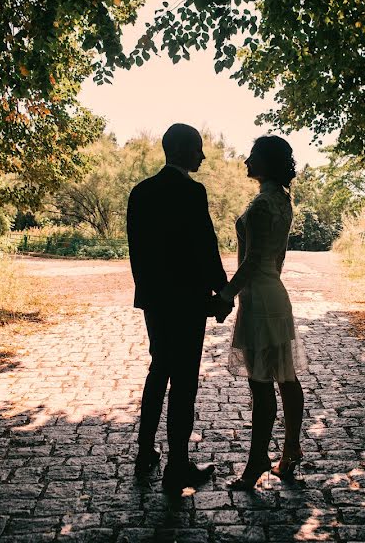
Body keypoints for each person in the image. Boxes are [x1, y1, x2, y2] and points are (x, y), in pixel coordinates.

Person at [126, 123, 234, 496]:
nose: (202, 156)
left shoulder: (140, 193)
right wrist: (222, 291)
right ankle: (178, 466)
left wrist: (149, 292)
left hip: (155, 301)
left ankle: (144, 453)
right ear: (184, 150)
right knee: (184, 382)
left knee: (159, 370)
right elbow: (204, 245)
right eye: (199, 149)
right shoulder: (192, 192)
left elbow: (137, 252)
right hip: (186, 302)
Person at [219, 135, 308, 490]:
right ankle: (290, 449)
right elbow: (276, 259)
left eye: (252, 155)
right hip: (276, 294)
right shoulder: (282, 202)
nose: (246, 161)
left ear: (267, 162)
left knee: (262, 386)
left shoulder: (260, 207)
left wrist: (225, 296)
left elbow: (252, 263)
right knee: (286, 378)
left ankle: (257, 460)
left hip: (260, 300)